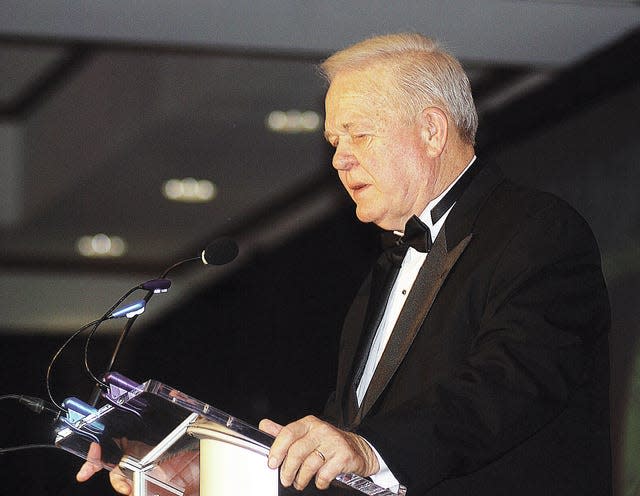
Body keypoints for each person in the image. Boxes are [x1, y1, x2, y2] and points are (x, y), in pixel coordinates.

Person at [79, 32, 611, 495]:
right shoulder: (379, 278)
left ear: (431, 130)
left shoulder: (536, 229)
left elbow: (510, 385)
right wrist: (206, 476)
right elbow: (337, 467)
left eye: (359, 133)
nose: (339, 158)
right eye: (335, 141)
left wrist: (368, 447)